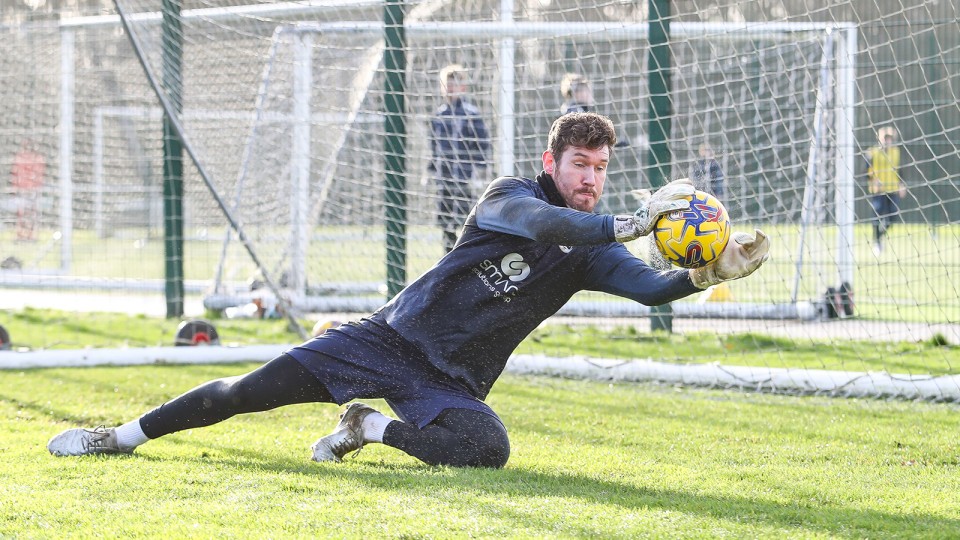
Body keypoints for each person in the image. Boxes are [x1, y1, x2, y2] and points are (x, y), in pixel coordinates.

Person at [47, 113, 770, 469]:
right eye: (581, 164)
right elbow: (547, 222)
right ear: (553, 161)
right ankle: (119, 437)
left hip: (448, 378)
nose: (591, 178)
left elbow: (647, 289)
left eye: (602, 168)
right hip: (387, 338)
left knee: (487, 449)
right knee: (245, 394)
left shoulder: (592, 249)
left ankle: (368, 428)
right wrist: (636, 217)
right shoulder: (510, 196)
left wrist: (703, 275)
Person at [429, 63, 491, 253]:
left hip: (465, 176)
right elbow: (434, 145)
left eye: (454, 85)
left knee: (468, 218)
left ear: (462, 88)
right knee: (446, 221)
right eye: (446, 85)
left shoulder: (471, 113)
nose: (450, 89)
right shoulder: (439, 115)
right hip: (445, 177)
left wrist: (481, 169)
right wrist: (431, 169)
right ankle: (447, 257)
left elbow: (482, 143)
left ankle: (466, 254)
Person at [865, 126, 905, 254]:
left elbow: (900, 170)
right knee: (877, 214)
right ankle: (876, 242)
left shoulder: (896, 152)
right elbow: (866, 170)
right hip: (878, 190)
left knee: (893, 214)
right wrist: (873, 180)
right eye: (885, 138)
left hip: (892, 188)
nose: (888, 141)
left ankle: (880, 236)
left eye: (890, 139)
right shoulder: (872, 152)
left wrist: (901, 184)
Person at [10, 139, 45, 241]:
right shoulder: (22, 158)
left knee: (29, 213)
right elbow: (16, 174)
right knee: (25, 213)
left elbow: (38, 174)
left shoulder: (34, 158)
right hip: (26, 189)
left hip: (29, 189)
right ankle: (24, 235)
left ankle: (29, 235)